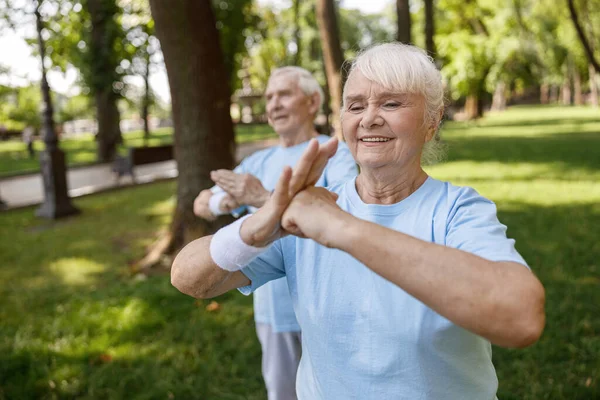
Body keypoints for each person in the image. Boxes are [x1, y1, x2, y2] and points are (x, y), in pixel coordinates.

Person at [174, 43, 545, 399]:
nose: (369, 118)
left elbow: (521, 317)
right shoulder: (312, 209)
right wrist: (254, 228)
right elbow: (189, 278)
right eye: (354, 106)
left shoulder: (456, 210)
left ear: (431, 123)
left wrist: (343, 229)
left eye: (392, 103)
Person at [192, 66, 357, 400]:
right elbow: (202, 203)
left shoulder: (333, 153)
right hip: (272, 308)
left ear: (312, 102)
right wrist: (227, 201)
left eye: (284, 94)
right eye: (269, 97)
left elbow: (344, 216)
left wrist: (257, 196)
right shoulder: (259, 161)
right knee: (282, 392)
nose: (274, 104)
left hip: (327, 303)